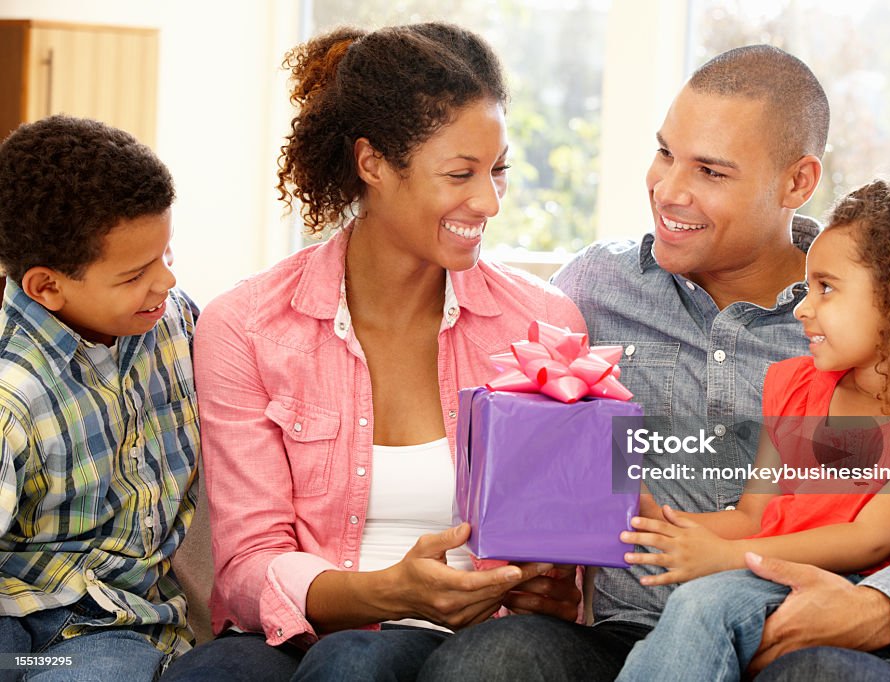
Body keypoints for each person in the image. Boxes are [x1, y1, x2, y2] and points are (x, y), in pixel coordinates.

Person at [419, 44, 890, 681]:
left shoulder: (872, 320)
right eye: (664, 153)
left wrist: (882, 607)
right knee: (493, 661)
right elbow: (530, 415)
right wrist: (562, 539)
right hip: (629, 636)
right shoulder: (596, 287)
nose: (668, 191)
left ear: (797, 181)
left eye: (711, 171)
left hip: (810, 637)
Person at [160, 23, 585, 682]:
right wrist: (388, 590)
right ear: (373, 165)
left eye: (498, 170)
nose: (489, 201)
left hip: (464, 637)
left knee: (353, 661)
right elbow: (247, 566)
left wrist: (556, 585)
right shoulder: (244, 327)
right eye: (460, 174)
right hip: (293, 632)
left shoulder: (541, 325)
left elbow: (561, 545)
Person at [615, 175, 890, 681]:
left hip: (843, 598)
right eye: (809, 287)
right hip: (760, 572)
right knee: (704, 604)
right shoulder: (796, 389)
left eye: (826, 288)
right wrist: (666, 527)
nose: (804, 308)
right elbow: (753, 515)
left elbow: (868, 539)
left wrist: (725, 557)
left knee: (706, 602)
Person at [0, 116, 199, 680]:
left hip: (109, 629)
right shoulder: (11, 391)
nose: (164, 282)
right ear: (47, 287)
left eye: (166, 255)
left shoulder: (176, 325)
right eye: (135, 273)